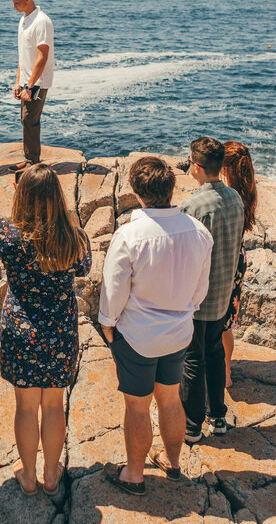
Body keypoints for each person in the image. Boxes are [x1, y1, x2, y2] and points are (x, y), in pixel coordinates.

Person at [97, 157, 213, 495]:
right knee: (170, 398)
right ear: (171, 188)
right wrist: (183, 312)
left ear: (135, 191)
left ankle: (134, 475)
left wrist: (107, 324)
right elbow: (200, 290)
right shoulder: (199, 232)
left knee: (137, 405)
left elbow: (114, 290)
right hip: (178, 334)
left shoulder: (130, 235)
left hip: (137, 337)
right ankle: (173, 463)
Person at [0, 164, 91, 496]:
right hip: (60, 330)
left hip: (20, 326)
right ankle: (51, 476)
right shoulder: (75, 237)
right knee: (53, 404)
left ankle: (29, 476)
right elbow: (84, 268)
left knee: (25, 406)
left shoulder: (5, 233)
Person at [178, 137, 246, 444]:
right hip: (222, 293)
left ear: (196, 166)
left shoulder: (192, 206)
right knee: (216, 353)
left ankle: (191, 427)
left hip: (197, 298)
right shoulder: (235, 198)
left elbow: (184, 254)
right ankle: (218, 417)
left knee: (193, 360)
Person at [220, 140, 258, 388]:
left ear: (225, 168)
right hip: (237, 258)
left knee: (218, 323)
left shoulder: (229, 195)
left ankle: (221, 373)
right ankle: (225, 373)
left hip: (226, 258)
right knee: (226, 324)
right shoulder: (246, 190)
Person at [9, 0, 54, 169]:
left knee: (30, 119)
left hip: (37, 81)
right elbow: (23, 54)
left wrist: (29, 85)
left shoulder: (41, 21)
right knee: (25, 119)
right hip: (26, 80)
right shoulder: (24, 19)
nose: (14, 7)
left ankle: (33, 161)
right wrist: (18, 81)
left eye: (17, 2)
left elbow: (42, 57)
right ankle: (30, 158)